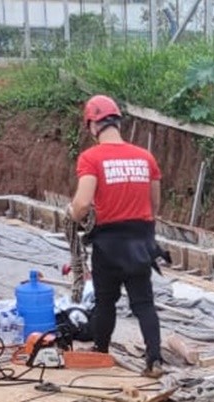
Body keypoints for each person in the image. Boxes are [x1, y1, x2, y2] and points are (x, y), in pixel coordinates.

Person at [69, 94, 166, 377]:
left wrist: (73, 214)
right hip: (141, 242)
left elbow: (83, 204)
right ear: (117, 122)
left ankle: (100, 351)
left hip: (108, 244)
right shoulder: (145, 158)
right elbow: (154, 205)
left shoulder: (91, 158)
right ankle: (155, 359)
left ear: (92, 125)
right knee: (144, 303)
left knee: (105, 300)